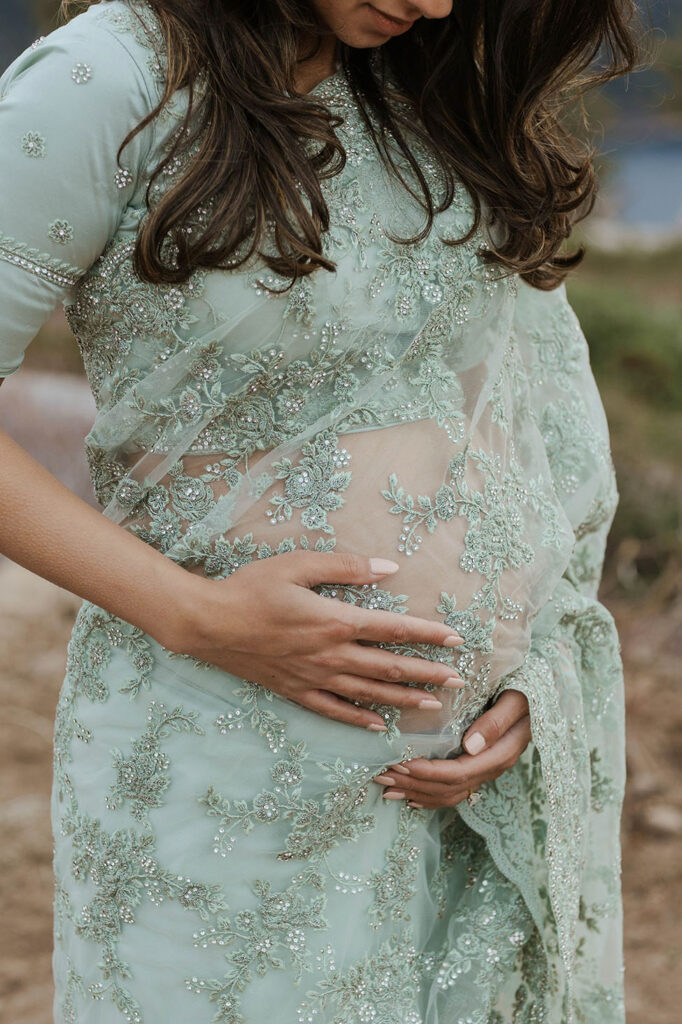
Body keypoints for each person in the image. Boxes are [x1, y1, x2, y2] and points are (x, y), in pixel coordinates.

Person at [0, 0, 637, 1020]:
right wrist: (192, 613)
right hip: (220, 763)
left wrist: (534, 666)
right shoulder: (103, 82)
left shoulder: (422, 85)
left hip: (455, 791)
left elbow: (511, 406)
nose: (434, 2)